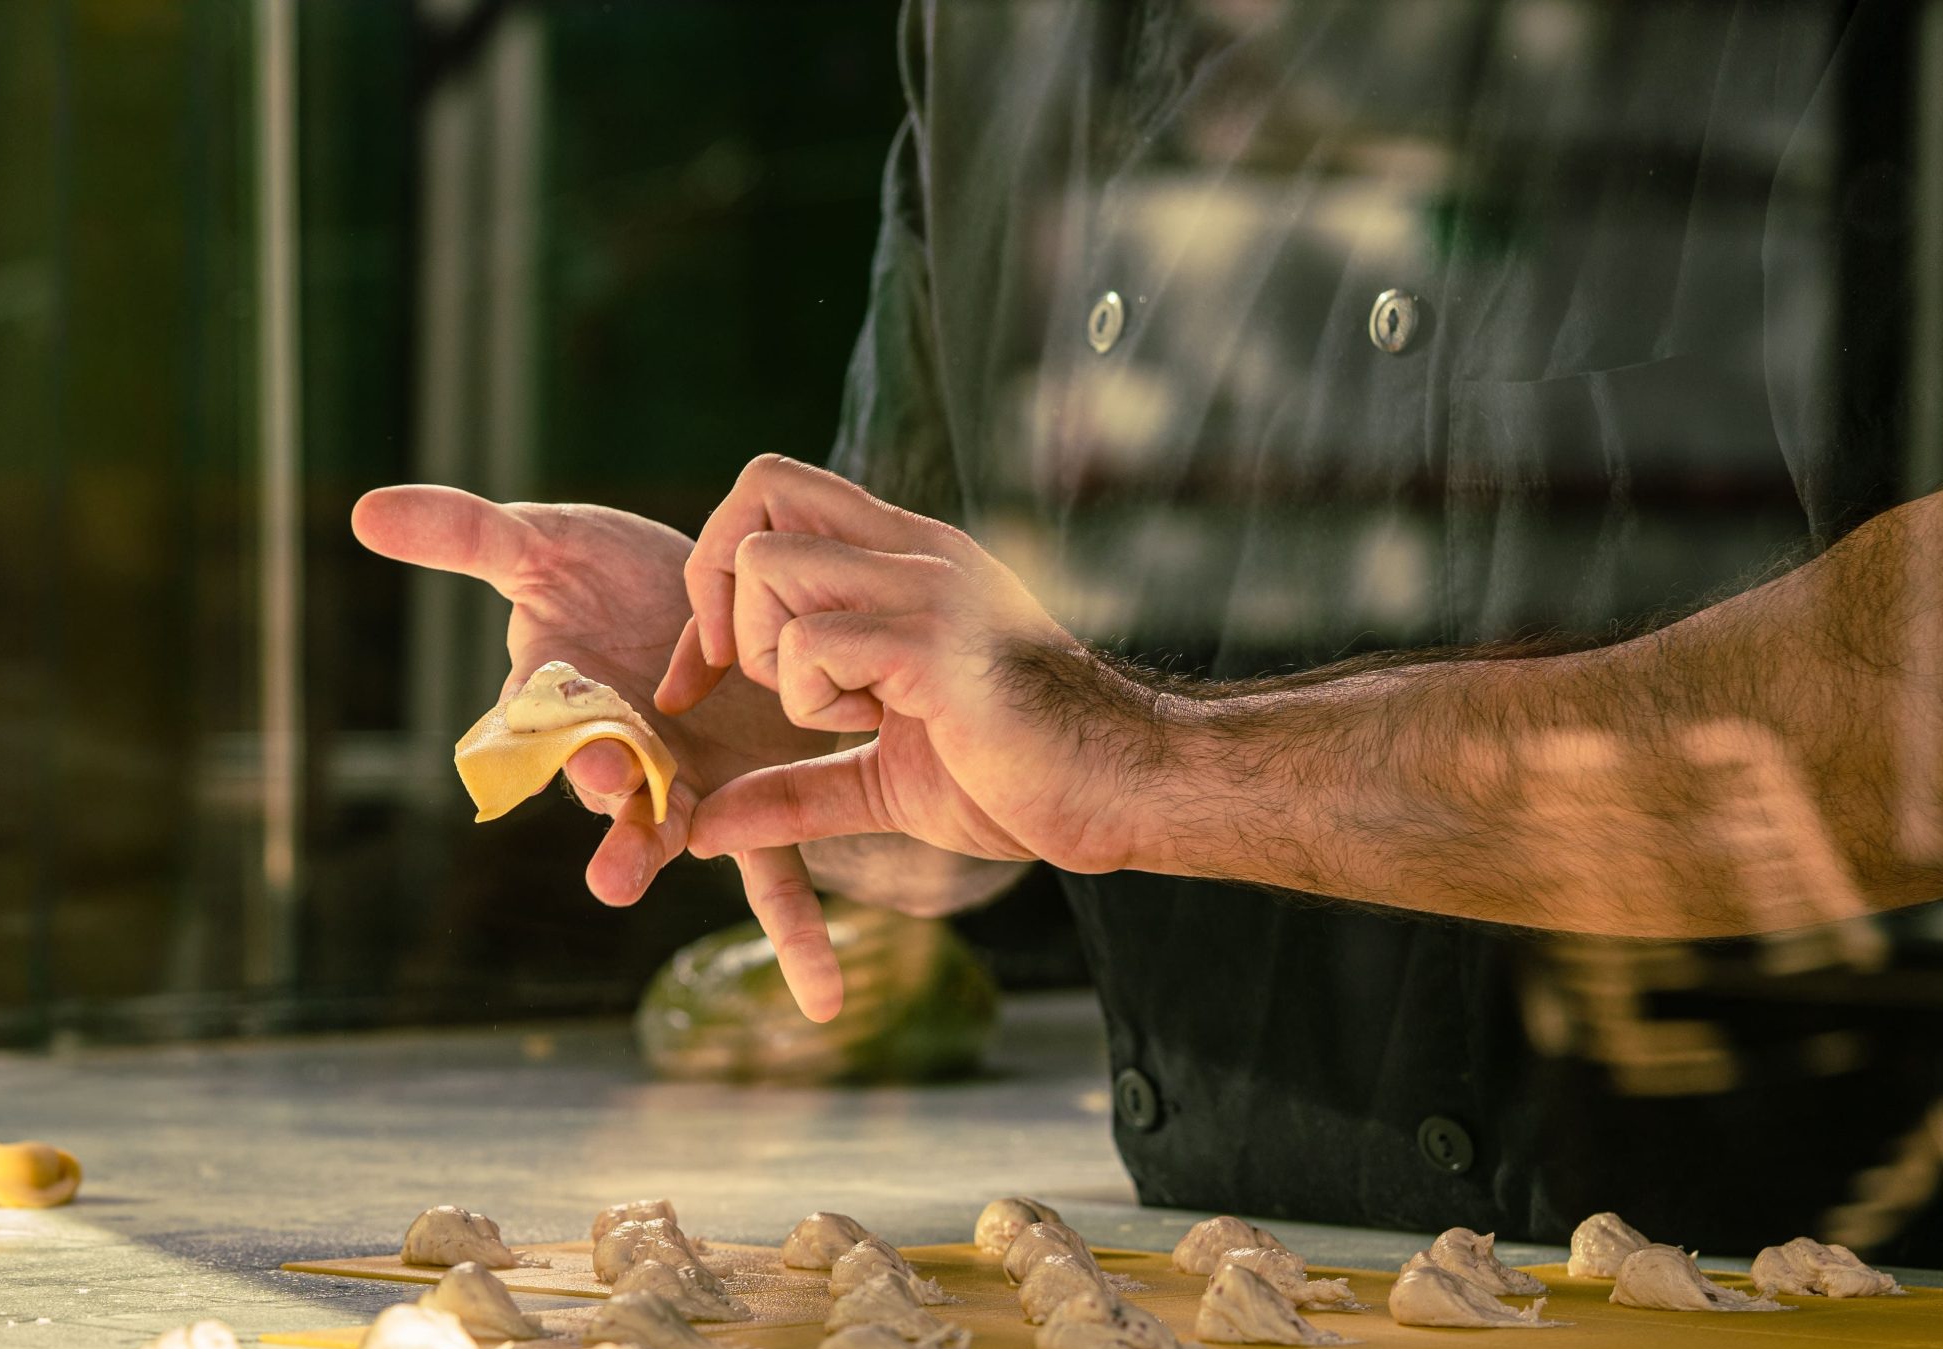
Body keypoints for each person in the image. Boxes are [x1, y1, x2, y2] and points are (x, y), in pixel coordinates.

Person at [357, 0, 1943, 1261]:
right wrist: (739, 700)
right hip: (1220, 1302)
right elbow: (974, 746)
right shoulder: (993, 34)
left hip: (1816, 1347)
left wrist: (1141, 767)